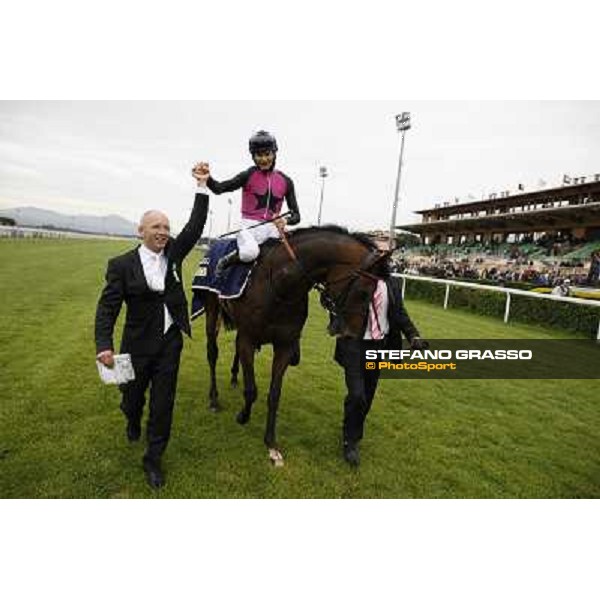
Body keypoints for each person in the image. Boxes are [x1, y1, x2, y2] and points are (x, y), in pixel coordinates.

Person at [94, 165, 210, 489]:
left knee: (163, 404)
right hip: (136, 345)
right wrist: (104, 344)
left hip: (170, 344)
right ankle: (131, 417)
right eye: (156, 226)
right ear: (140, 231)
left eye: (166, 227)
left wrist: (202, 186)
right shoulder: (121, 265)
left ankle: (153, 459)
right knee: (131, 398)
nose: (163, 231)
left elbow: (195, 226)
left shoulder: (174, 254)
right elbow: (107, 308)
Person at [334, 253, 427, 467]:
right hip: (354, 344)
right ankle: (351, 441)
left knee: (367, 395)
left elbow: (399, 313)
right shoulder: (353, 280)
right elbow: (335, 303)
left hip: (379, 346)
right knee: (357, 395)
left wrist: (414, 336)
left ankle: (352, 426)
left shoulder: (393, 283)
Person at [197, 130, 301, 274]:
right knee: (251, 252)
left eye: (267, 154)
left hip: (273, 230)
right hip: (248, 227)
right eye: (259, 155)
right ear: (253, 156)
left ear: (274, 153)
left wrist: (285, 221)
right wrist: (207, 179)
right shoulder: (248, 175)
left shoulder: (286, 181)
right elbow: (220, 188)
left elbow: (296, 215)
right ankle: (227, 260)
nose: (263, 159)